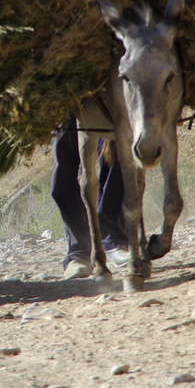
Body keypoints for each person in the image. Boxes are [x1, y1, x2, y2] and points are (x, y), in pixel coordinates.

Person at [49, 114, 128, 279]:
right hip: (66, 95)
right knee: (62, 169)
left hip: (102, 91)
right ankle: (79, 250)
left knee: (115, 148)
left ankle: (111, 235)